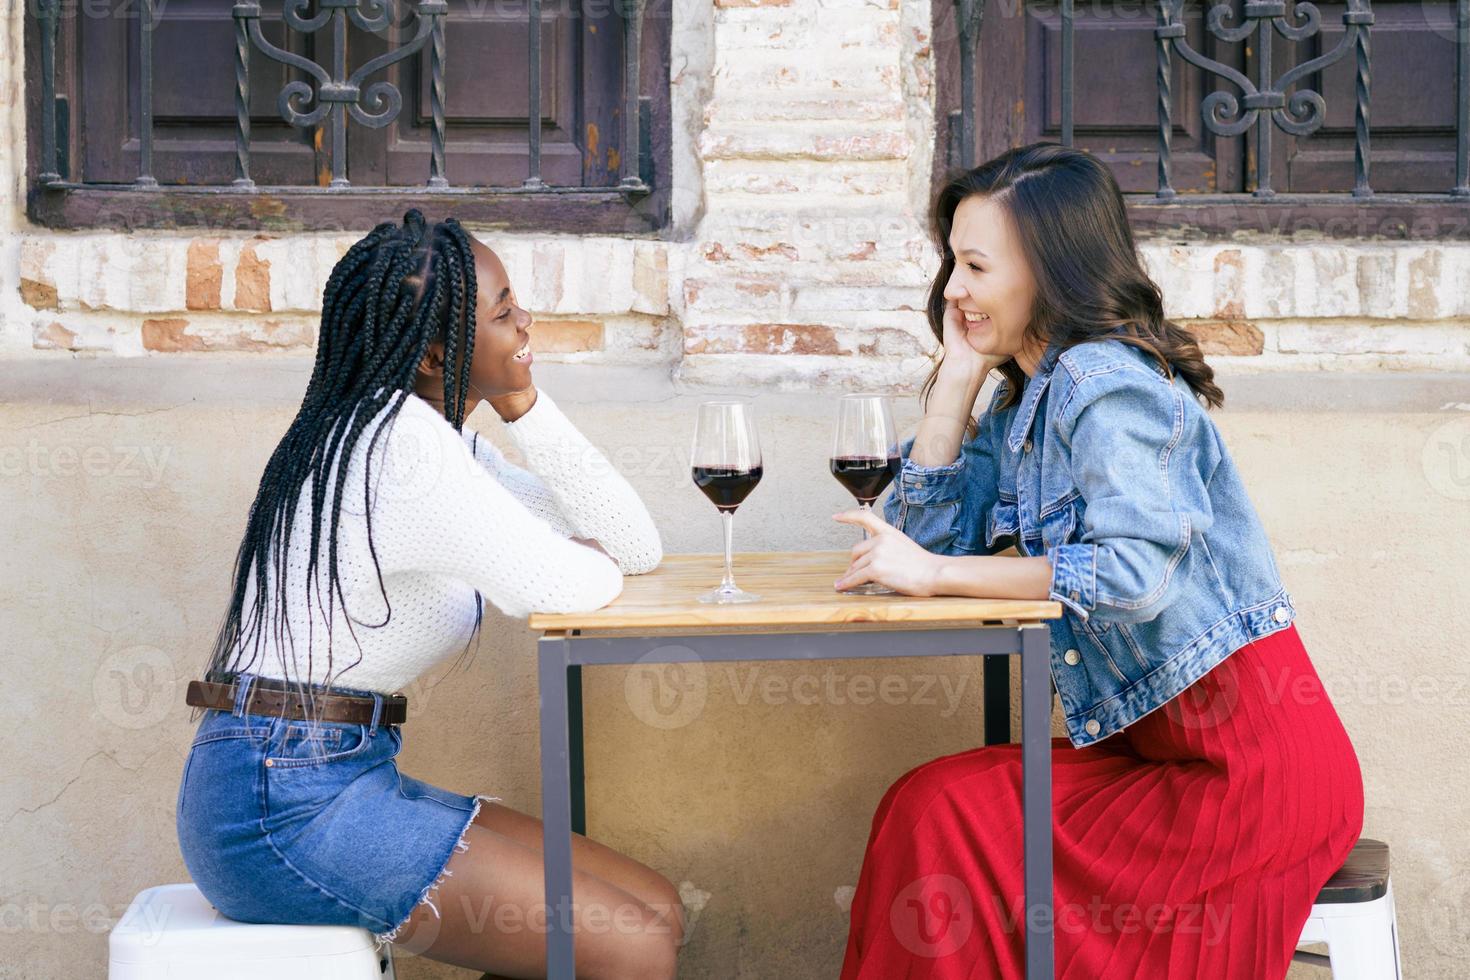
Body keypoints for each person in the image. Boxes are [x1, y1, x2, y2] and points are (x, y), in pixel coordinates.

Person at [833, 143, 1365, 978]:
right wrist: (959, 376)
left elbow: (1133, 575)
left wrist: (937, 576)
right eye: (952, 265)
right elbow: (922, 541)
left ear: (1048, 269)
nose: (953, 290)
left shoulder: (1102, 382)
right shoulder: (1027, 400)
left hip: (1247, 782)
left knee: (945, 816)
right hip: (1166, 761)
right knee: (929, 806)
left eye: (975, 266)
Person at [176, 210, 683, 980]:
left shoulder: (433, 441)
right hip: (280, 803)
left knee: (655, 910)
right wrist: (575, 558)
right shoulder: (397, 444)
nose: (527, 322)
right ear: (443, 349)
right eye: (504, 311)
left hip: (338, 771)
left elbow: (632, 546)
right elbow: (562, 582)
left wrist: (525, 405)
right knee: (629, 943)